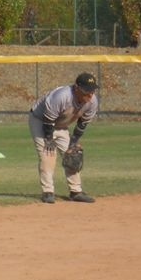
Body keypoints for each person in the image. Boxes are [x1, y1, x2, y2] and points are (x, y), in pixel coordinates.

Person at [28, 72, 99, 204]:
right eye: (86, 91)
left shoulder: (92, 101)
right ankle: (48, 192)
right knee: (48, 154)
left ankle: (76, 191)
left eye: (92, 91)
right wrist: (49, 139)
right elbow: (48, 120)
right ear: (76, 88)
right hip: (40, 120)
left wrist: (73, 143)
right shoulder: (61, 96)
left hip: (61, 124)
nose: (90, 95)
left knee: (72, 155)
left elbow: (82, 123)